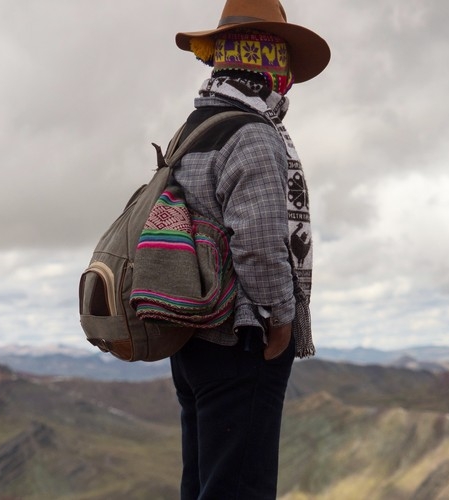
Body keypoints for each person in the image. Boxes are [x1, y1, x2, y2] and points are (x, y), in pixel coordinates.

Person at [167, 0, 330, 498]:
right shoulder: (255, 135)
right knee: (243, 485)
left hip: (192, 332)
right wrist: (279, 320)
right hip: (243, 335)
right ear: (271, 62)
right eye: (283, 62)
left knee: (204, 479)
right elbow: (258, 243)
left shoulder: (193, 131)